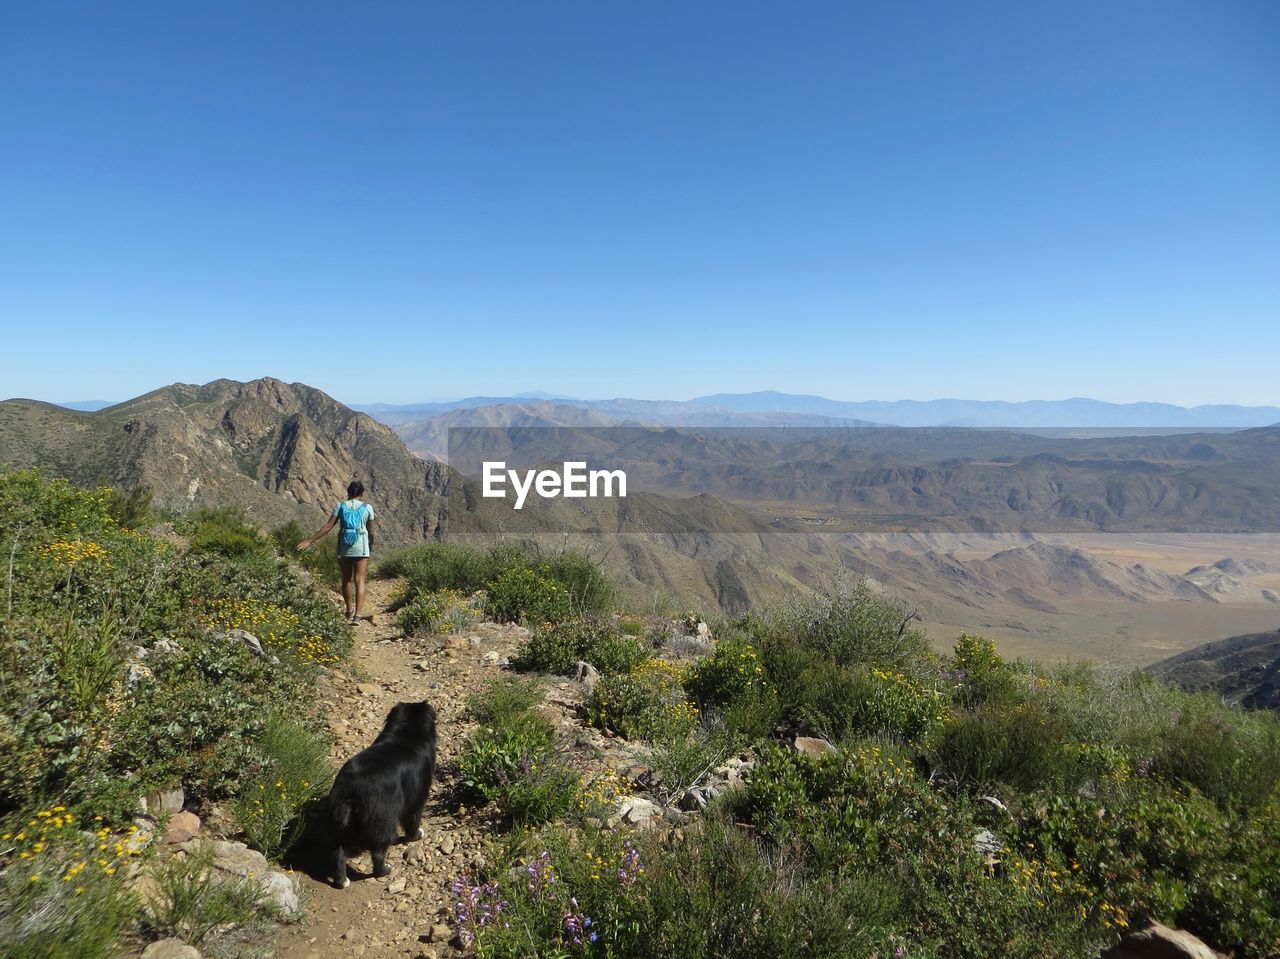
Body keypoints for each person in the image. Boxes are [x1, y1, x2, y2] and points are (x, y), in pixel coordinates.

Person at [298, 481, 377, 623]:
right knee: (360, 580)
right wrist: (371, 543)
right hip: (361, 547)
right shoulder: (368, 508)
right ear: (362, 494)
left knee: (346, 579)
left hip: (344, 547)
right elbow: (371, 531)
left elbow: (328, 526)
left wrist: (309, 541)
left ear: (348, 493)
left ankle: (348, 611)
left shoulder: (340, 506)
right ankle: (357, 616)